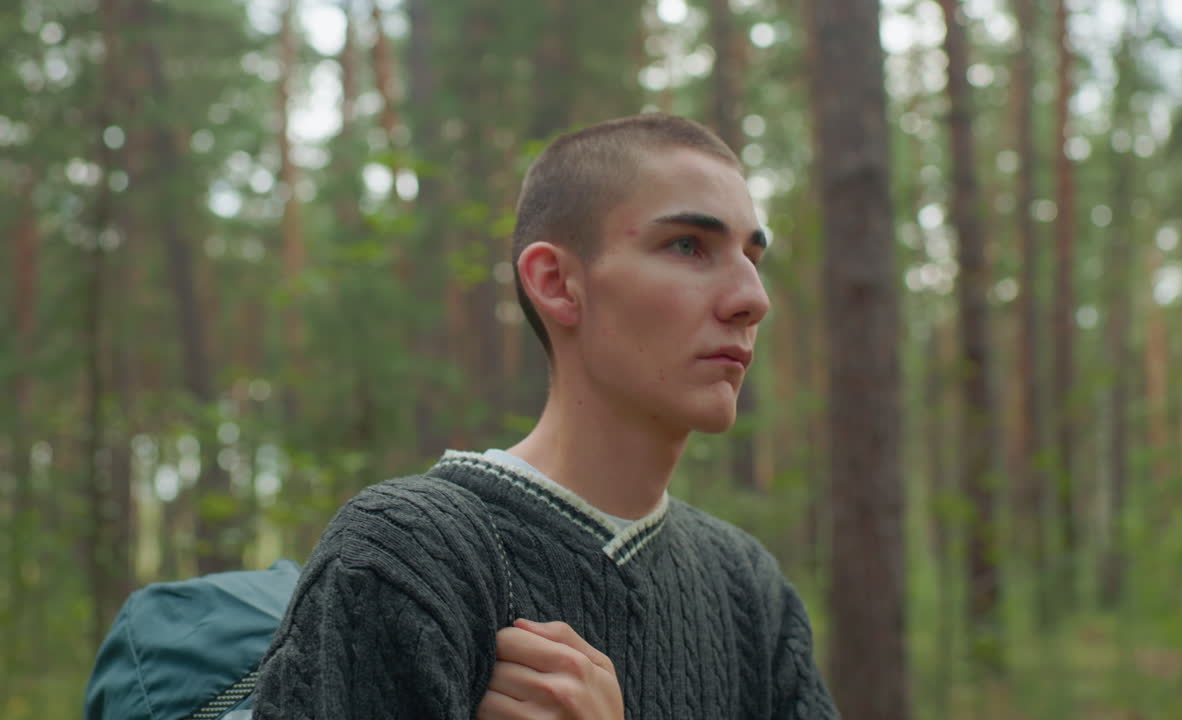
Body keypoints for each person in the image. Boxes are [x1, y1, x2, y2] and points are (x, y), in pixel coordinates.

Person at [254, 114, 838, 719]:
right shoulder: (405, 557)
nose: (753, 300)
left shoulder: (748, 588)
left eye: (752, 256)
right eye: (688, 246)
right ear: (557, 282)